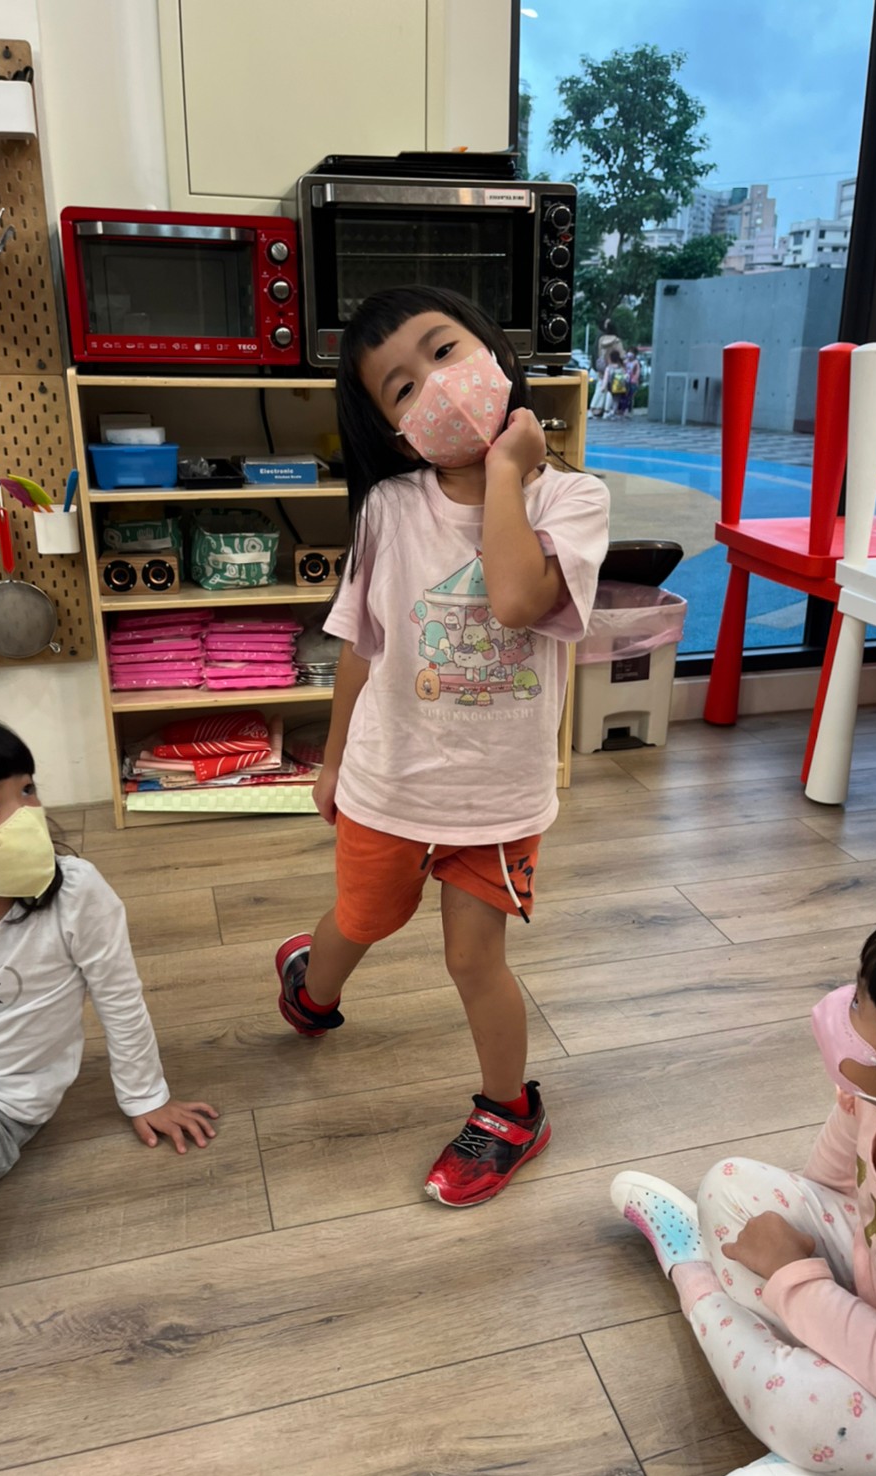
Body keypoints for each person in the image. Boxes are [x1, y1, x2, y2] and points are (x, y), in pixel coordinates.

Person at [273, 285, 609, 1207]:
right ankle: (312, 985)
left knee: (473, 960)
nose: (435, 384)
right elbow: (362, 643)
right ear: (392, 430)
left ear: (491, 347)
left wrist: (507, 475)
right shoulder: (388, 508)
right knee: (362, 919)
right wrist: (332, 761)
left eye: (443, 350)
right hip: (387, 780)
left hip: (495, 799)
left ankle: (510, 1111)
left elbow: (518, 600)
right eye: (401, 386)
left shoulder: (572, 498)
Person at [610, 912, 876, 1475]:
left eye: (859, 1003)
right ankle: (814, 1436)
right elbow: (821, 1191)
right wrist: (798, 1267)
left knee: (819, 1417)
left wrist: (793, 1276)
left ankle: (692, 1278)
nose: (840, 1004)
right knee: (729, 1183)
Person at [0, 714, 219, 1295]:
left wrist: (146, 1096)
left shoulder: (75, 893)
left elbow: (120, 996)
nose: (27, 815)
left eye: (27, 790)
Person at [590, 318, 626, 418]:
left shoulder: (601, 339)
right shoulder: (616, 340)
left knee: (600, 387)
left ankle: (594, 408)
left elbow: (597, 352)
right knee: (611, 390)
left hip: (602, 366)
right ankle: (607, 410)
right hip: (613, 367)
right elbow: (622, 355)